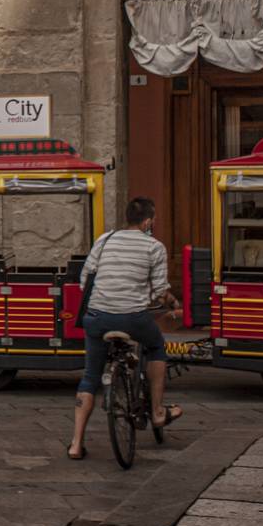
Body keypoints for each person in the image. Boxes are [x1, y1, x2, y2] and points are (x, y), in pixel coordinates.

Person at [67, 196, 182, 460]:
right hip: (132, 318)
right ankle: (157, 412)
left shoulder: (104, 240)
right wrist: (174, 304)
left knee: (89, 376)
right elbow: (159, 291)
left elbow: (85, 279)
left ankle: (75, 444)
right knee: (155, 347)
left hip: (96, 317)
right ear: (148, 221)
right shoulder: (154, 247)